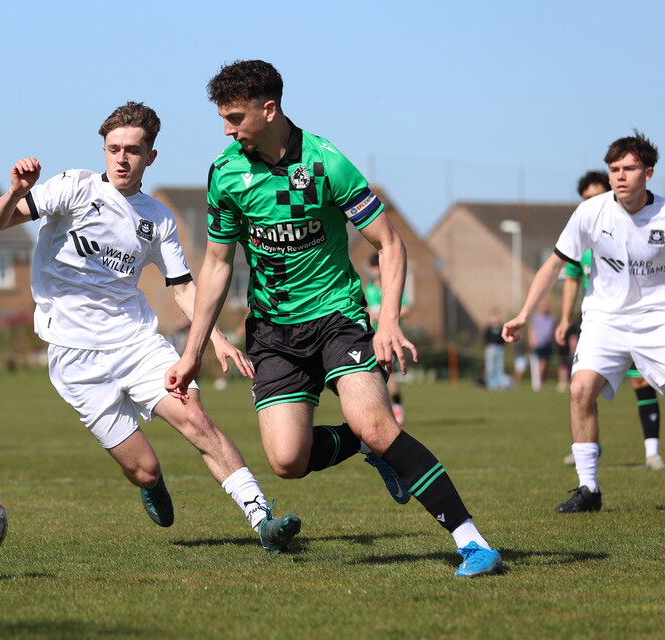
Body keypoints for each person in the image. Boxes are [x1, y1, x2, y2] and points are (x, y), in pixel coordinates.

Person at [165, 60, 502, 577]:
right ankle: (366, 445)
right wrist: (193, 353)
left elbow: (389, 244)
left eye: (235, 117)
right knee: (286, 461)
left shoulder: (326, 162)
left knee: (378, 423)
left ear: (269, 108)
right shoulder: (227, 173)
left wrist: (387, 319)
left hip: (337, 317)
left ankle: (472, 542)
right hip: (273, 332)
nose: (227, 129)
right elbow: (215, 265)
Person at [0, 101, 301, 553]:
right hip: (74, 358)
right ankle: (150, 484)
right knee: (145, 469)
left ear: (150, 156)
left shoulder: (158, 218)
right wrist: (16, 191)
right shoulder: (72, 188)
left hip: (135, 342)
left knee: (195, 418)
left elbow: (183, 287)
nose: (121, 158)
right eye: (113, 148)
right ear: (103, 150)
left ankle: (262, 519)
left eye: (133, 150)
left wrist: (214, 337)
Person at [503, 131, 665, 512]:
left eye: (629, 168)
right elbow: (555, 264)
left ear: (649, 173)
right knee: (580, 390)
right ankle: (588, 490)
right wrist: (525, 314)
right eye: (614, 169)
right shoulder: (591, 212)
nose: (620, 176)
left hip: (656, 319)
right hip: (604, 319)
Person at [554, 170, 663, 470]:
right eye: (586, 199)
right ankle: (590, 454)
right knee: (584, 387)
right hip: (604, 324)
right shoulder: (584, 243)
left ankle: (651, 451)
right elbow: (571, 279)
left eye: (597, 196)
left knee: (642, 382)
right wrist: (564, 319)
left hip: (645, 321)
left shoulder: (639, 230)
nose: (593, 203)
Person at [365, 254, 410, 421]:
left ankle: (397, 406)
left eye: (374, 267)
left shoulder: (391, 288)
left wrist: (386, 315)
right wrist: (370, 314)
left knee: (389, 373)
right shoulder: (368, 289)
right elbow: (364, 309)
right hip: (371, 337)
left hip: (389, 338)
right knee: (372, 375)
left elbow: (406, 309)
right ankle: (380, 412)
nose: (372, 271)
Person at [528, 301, 556, 392]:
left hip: (548, 344)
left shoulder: (552, 319)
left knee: (545, 364)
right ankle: (539, 382)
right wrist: (532, 341)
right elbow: (532, 330)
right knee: (541, 364)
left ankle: (544, 381)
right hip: (539, 344)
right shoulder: (536, 318)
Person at [483, 308, 511, 390]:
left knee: (499, 367)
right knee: (491, 367)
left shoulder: (502, 328)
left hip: (499, 349)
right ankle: (491, 384)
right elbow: (486, 339)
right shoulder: (488, 328)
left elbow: (504, 338)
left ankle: (499, 383)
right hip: (491, 349)